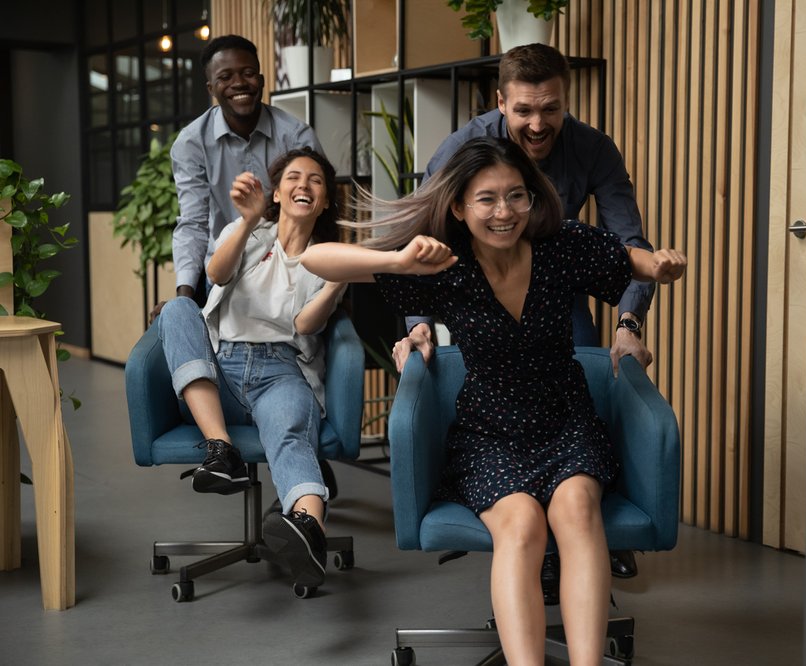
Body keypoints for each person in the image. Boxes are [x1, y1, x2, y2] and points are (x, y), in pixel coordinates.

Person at [300, 137, 686, 665]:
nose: (504, 213)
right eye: (486, 199)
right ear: (458, 205)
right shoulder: (442, 261)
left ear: (533, 197)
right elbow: (314, 258)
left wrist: (660, 265)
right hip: (489, 431)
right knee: (522, 525)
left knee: (577, 509)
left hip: (565, 420)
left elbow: (629, 260)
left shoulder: (561, 244)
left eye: (516, 196)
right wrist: (401, 260)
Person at [397, 42, 662, 585]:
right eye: (524, 111)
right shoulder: (464, 147)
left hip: (555, 287)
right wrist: (417, 324)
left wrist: (629, 325)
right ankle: (532, 535)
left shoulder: (592, 148)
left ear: (566, 101)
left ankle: (573, 517)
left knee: (577, 367)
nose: (538, 124)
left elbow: (628, 242)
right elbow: (416, 237)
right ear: (501, 103)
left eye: (551, 109)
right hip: (475, 293)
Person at [157, 147, 346, 588]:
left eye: (316, 180)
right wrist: (246, 220)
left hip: (281, 372)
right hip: (217, 373)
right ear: (277, 193)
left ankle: (309, 530)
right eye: (294, 177)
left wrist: (339, 279)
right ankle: (221, 451)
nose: (304, 185)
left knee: (291, 437)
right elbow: (216, 274)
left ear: (325, 200)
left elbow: (305, 324)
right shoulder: (249, 233)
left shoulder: (326, 256)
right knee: (179, 309)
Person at [165, 33, 339, 500]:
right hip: (230, 265)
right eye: (226, 77)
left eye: (247, 73)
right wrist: (187, 290)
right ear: (211, 87)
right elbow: (193, 222)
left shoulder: (294, 133)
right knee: (178, 310)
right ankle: (222, 451)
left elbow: (318, 198)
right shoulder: (192, 142)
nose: (239, 83)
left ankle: (301, 446)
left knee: (311, 329)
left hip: (295, 263)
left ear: (262, 78)